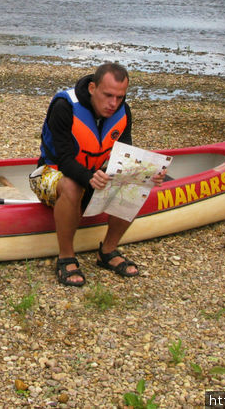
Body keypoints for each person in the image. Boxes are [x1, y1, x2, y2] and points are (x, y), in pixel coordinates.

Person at [31, 62, 163, 287]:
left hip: (92, 176)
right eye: (108, 95)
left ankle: (108, 251)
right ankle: (66, 257)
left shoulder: (123, 111)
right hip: (48, 175)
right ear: (92, 88)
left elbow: (124, 155)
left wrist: (146, 173)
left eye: (120, 97)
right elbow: (63, 158)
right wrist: (88, 177)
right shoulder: (64, 106)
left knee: (135, 181)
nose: (114, 104)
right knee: (72, 185)